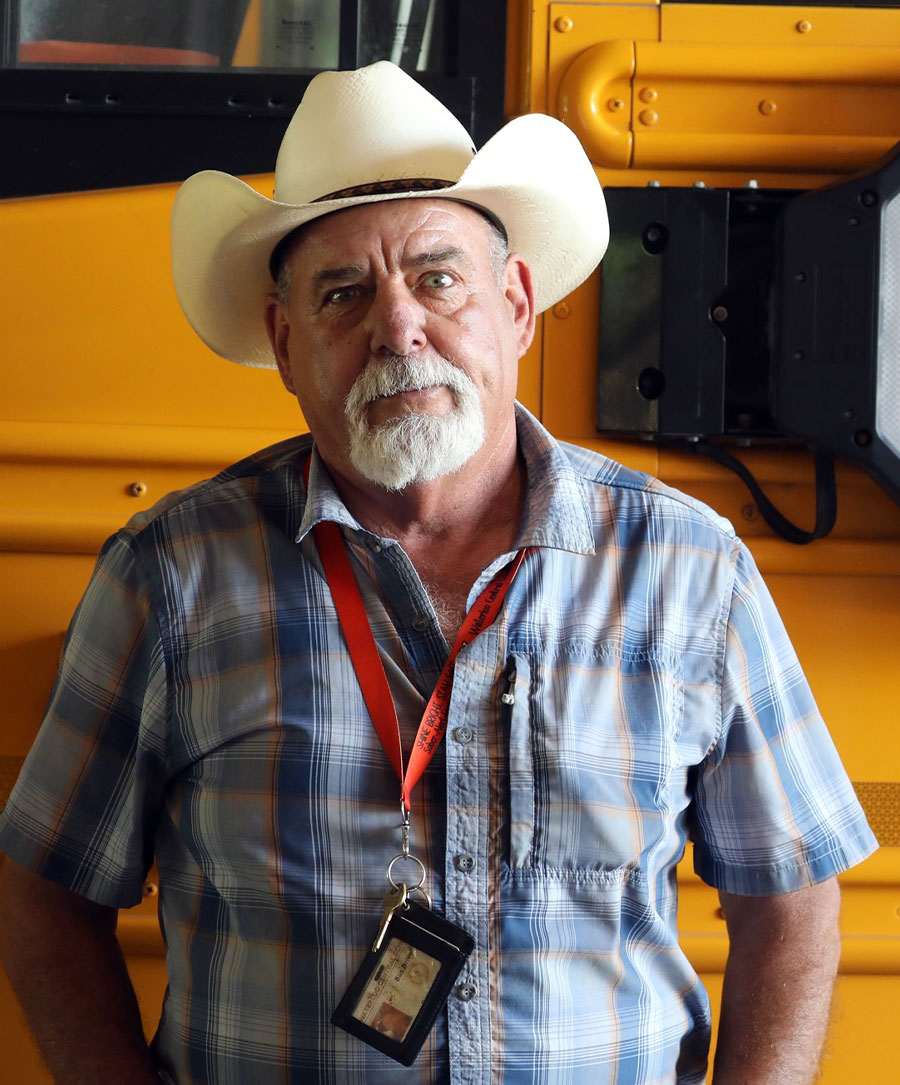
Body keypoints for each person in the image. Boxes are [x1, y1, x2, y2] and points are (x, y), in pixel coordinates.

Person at [0, 60, 877, 1085]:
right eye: (341, 291)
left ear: (515, 305)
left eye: (436, 275)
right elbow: (47, 890)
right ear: (285, 344)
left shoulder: (689, 570)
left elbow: (795, 892)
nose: (398, 325)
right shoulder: (170, 576)